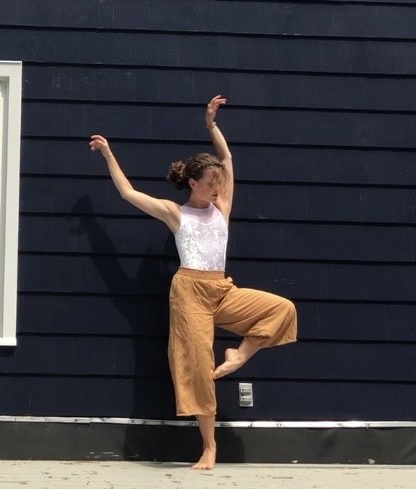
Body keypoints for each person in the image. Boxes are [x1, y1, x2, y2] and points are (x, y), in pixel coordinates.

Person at [89, 95, 297, 470]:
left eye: (219, 184)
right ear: (192, 183)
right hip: (188, 293)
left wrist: (211, 126)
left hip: (221, 288)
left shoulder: (222, 209)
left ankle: (241, 354)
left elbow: (229, 160)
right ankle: (209, 447)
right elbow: (128, 193)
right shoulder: (176, 214)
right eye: (210, 183)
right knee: (200, 366)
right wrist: (108, 154)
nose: (217, 188)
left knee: (282, 308)